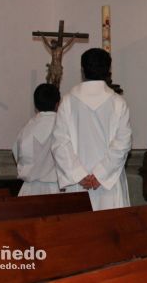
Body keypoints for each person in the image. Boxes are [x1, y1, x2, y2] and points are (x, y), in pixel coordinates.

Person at [52, 48, 131, 210]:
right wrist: (100, 175)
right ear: (108, 70)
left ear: (82, 70)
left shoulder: (67, 102)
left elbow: (60, 143)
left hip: (78, 185)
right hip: (109, 184)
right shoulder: (118, 103)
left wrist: (79, 174)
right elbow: (122, 144)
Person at [12, 83, 61, 196]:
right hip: (56, 188)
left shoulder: (27, 128)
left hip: (29, 190)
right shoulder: (62, 125)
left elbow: (17, 153)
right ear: (57, 104)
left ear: (35, 106)